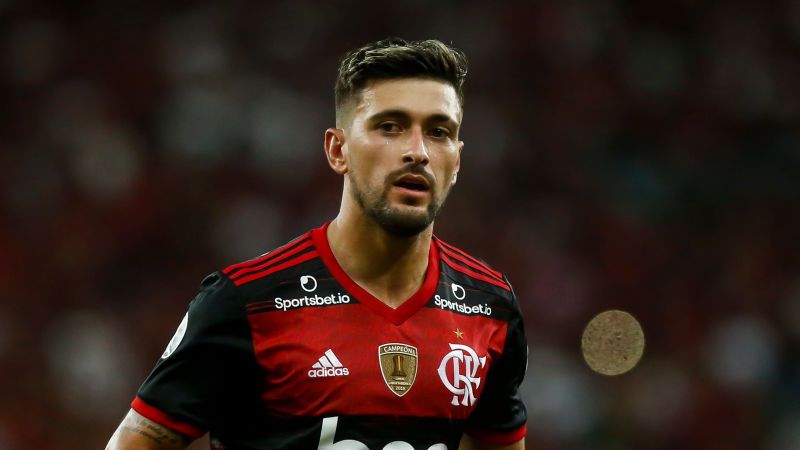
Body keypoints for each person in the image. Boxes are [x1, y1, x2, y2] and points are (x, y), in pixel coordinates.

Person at [106, 37, 528, 450]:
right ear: (337, 149)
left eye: (438, 132)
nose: (417, 151)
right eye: (390, 127)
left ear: (457, 160)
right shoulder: (246, 303)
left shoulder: (490, 307)